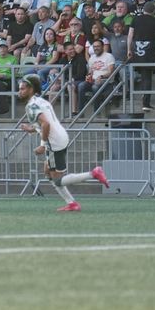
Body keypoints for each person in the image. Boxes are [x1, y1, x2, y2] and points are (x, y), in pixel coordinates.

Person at [18, 74, 109, 212]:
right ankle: (71, 203)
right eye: (20, 89)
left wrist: (42, 146)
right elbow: (44, 124)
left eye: (23, 89)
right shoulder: (42, 101)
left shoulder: (31, 106)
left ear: (31, 89)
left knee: (57, 180)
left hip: (54, 143)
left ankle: (93, 174)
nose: (20, 91)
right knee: (47, 171)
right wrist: (30, 129)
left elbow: (46, 125)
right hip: (60, 137)